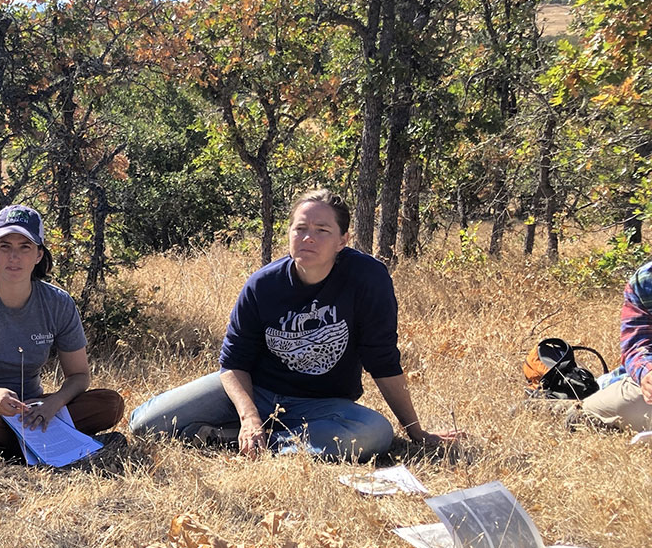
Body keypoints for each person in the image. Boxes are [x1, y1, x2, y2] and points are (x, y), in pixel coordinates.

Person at [129, 188, 457, 460]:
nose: (308, 238)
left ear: (343, 239)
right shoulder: (263, 285)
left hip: (323, 405)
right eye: (300, 228)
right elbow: (232, 364)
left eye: (321, 230)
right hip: (256, 390)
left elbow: (382, 359)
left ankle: (248, 441)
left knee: (376, 433)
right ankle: (254, 433)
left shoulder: (367, 279)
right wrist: (250, 415)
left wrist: (416, 432)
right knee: (144, 424)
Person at [0, 205, 125, 456]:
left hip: (32, 408)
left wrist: (54, 403)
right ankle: (46, 444)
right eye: (5, 246)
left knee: (109, 404)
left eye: (25, 247)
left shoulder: (58, 303)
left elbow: (79, 375)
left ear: (39, 255)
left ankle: (3, 448)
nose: (14, 257)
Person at [579, 257, 652, 432]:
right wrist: (647, 373)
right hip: (641, 394)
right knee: (624, 406)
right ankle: (573, 409)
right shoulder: (645, 281)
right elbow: (636, 344)